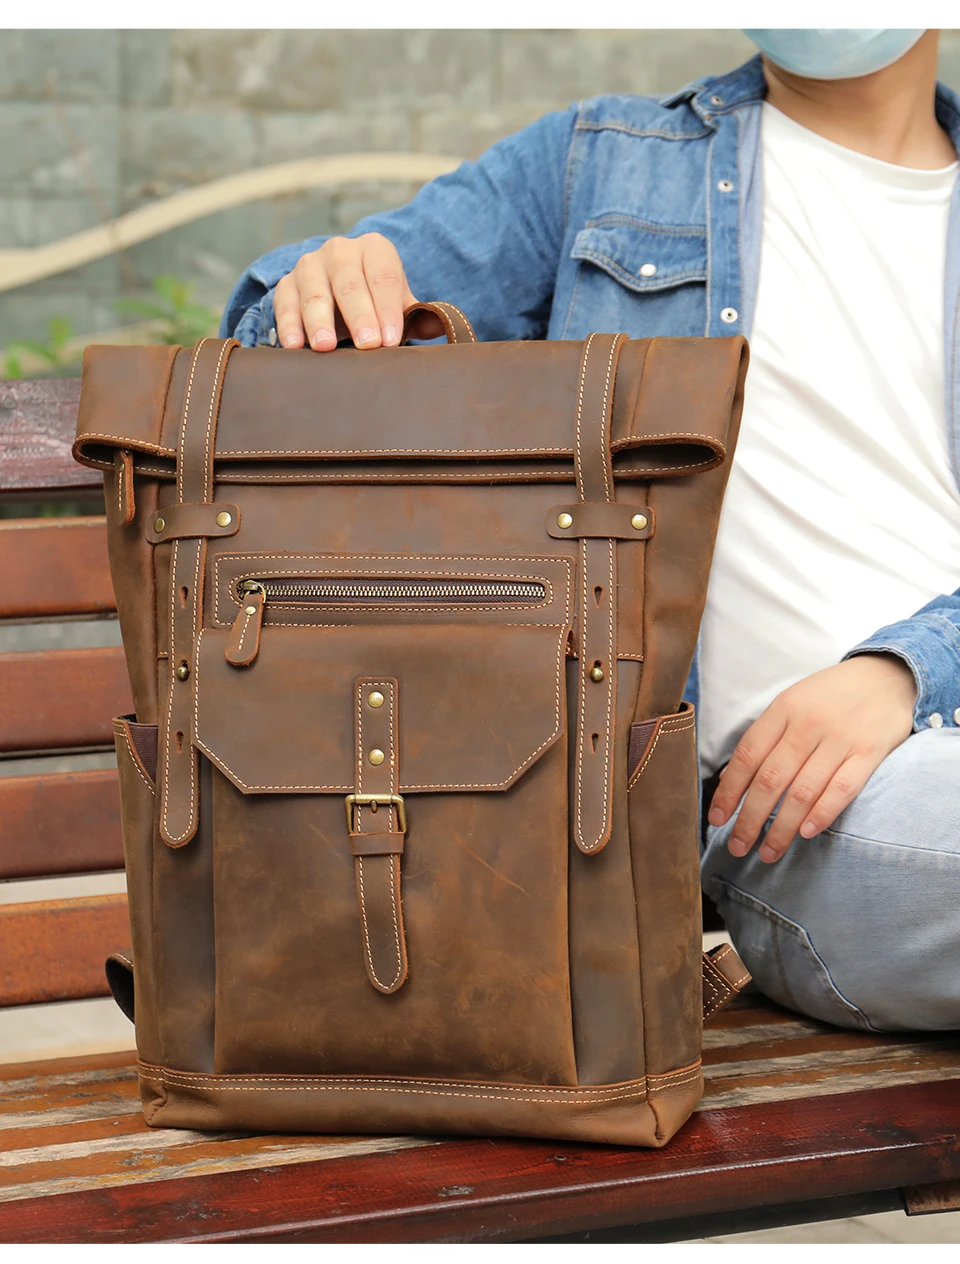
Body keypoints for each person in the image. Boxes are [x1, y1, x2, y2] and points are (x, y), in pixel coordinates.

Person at [222, 30, 960, 1033]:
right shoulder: (599, 166)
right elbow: (269, 347)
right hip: (799, 814)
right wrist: (329, 282)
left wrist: (911, 672)